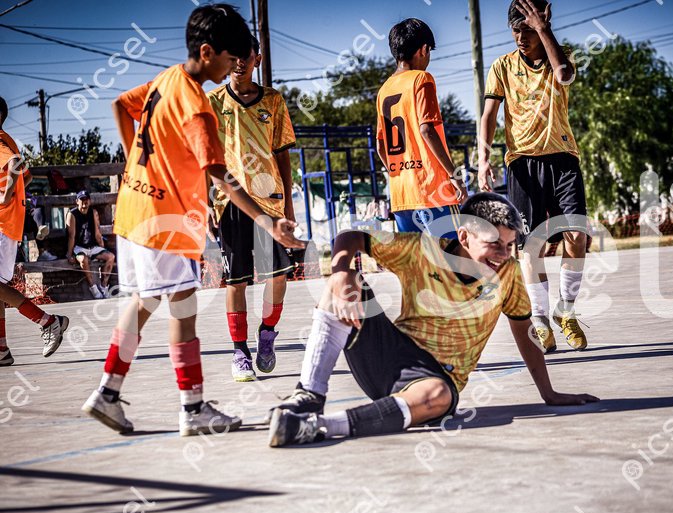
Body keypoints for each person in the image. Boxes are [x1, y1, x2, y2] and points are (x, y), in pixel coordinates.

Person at [81, 4, 305, 437]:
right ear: (208, 52)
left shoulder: (166, 79)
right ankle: (192, 407)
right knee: (182, 308)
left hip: (134, 207)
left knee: (144, 302)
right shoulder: (200, 105)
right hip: (167, 217)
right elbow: (221, 175)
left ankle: (108, 392)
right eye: (229, 58)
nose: (232, 67)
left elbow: (120, 105)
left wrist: (136, 163)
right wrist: (268, 222)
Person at [267, 192, 597, 447]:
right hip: (390, 356)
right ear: (464, 237)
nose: (503, 254)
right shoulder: (421, 250)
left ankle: (314, 427)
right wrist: (340, 272)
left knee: (439, 395)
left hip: (435, 379)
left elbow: (524, 332)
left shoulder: (508, 273)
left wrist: (548, 393)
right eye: (494, 244)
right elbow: (352, 236)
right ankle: (309, 395)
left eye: (510, 245)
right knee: (346, 283)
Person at [478, 0, 589, 352]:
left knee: (577, 236)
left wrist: (543, 28)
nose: (520, 37)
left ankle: (566, 311)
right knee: (531, 245)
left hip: (563, 159)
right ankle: (540, 319)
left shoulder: (562, 56)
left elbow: (565, 76)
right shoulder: (502, 66)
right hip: (522, 163)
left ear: (543, 24)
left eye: (527, 30)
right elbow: (489, 115)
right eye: (515, 30)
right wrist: (483, 158)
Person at [207, 35, 298, 382]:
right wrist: (205, 204)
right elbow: (206, 160)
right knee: (237, 280)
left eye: (246, 56)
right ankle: (239, 352)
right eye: (233, 56)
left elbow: (283, 154)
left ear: (257, 59)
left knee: (278, 275)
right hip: (229, 203)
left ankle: (267, 332)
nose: (240, 62)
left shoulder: (273, 100)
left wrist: (289, 205)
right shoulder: (213, 102)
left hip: (270, 201)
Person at [376, 18, 468, 239]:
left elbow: (380, 146)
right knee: (452, 255)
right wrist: (454, 175)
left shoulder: (384, 90)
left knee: (416, 260)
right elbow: (426, 129)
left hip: (401, 195)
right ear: (424, 49)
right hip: (432, 190)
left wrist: (401, 173)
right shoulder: (421, 79)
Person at [0, 96, 69, 366]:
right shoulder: (7, 139)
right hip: (8, 224)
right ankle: (2, 350)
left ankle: (49, 322)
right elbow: (25, 175)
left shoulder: (0, 141)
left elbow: (14, 163)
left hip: (3, 223)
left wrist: (6, 198)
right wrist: (15, 195)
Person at [66, 190, 115, 299]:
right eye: (82, 199)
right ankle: (93, 287)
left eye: (86, 199)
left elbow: (98, 233)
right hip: (79, 247)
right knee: (83, 260)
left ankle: (103, 286)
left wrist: (102, 248)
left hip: (92, 246)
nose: (85, 201)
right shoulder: (72, 214)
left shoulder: (93, 212)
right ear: (77, 201)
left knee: (111, 257)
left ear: (90, 201)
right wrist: (69, 254)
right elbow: (71, 236)